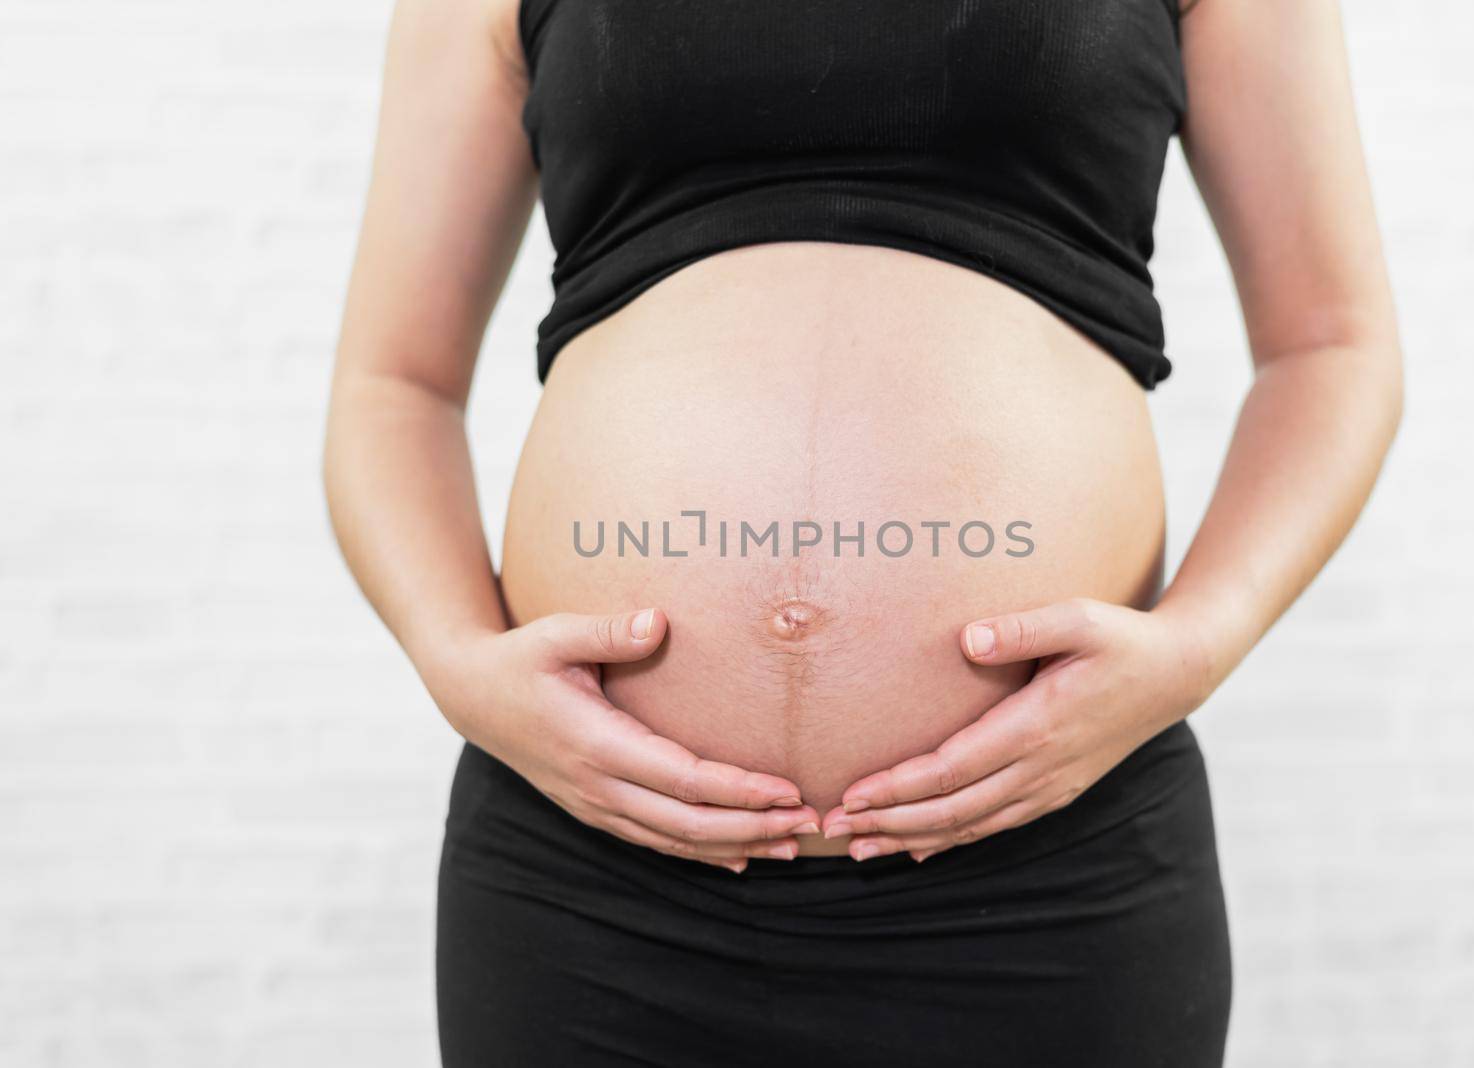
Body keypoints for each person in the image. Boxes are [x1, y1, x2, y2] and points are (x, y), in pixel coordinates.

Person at [322, 0, 1403, 1062]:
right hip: (593, 877)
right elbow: (394, 386)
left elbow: (1331, 349)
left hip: (1047, 872)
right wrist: (455, 659)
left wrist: (1196, 644)